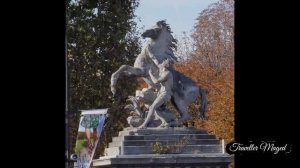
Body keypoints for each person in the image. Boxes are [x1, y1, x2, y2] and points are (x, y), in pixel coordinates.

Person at [138, 59, 173, 128]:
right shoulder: (163, 72)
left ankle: (144, 125)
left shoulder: (167, 73)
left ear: (167, 65)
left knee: (152, 107)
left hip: (165, 94)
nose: (164, 63)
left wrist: (150, 73)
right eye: (164, 61)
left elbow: (156, 81)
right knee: (152, 107)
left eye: (166, 62)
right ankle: (164, 122)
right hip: (161, 93)